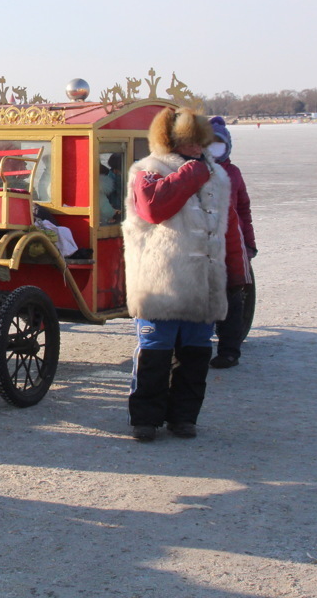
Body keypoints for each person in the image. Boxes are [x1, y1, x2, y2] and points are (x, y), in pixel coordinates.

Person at [122, 107, 240, 442]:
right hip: (162, 280)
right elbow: (153, 208)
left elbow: (229, 227)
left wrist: (237, 268)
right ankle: (145, 419)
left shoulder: (217, 175)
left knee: (196, 353)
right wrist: (190, 174)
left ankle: (184, 417)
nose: (198, 149)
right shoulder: (148, 170)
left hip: (204, 281)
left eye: (200, 143)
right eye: (191, 142)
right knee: (155, 351)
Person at [208, 117, 256, 368]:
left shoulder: (233, 172)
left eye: (219, 142)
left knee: (232, 297)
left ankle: (229, 350)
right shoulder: (196, 169)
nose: (215, 147)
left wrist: (249, 245)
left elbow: (243, 209)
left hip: (230, 244)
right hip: (202, 242)